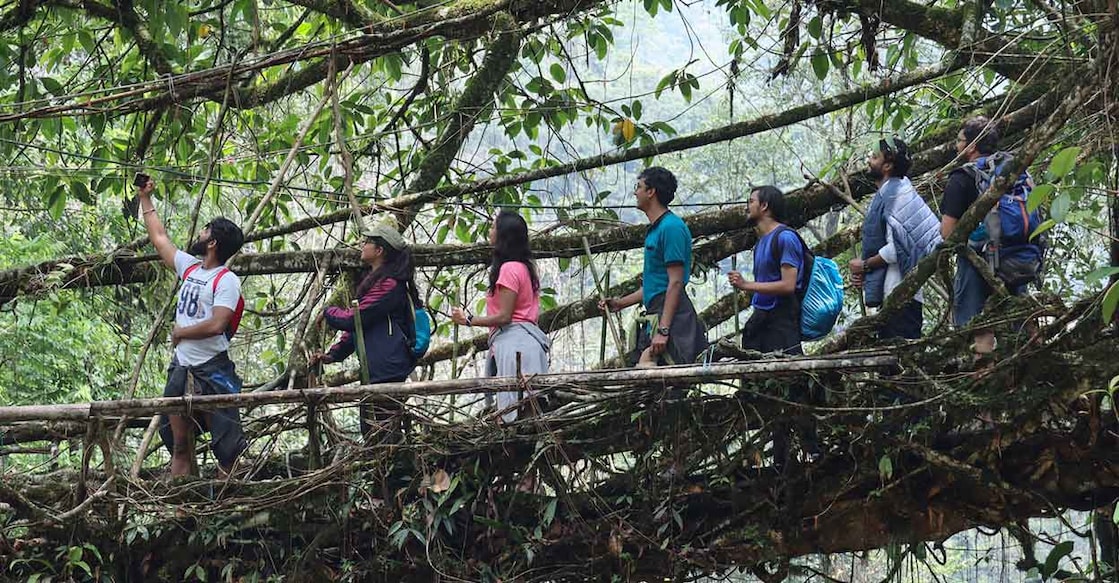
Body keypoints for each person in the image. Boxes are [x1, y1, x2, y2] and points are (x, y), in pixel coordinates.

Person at [136, 176, 248, 478]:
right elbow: (159, 238)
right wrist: (145, 198)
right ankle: (182, 514)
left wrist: (180, 333)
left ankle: (228, 513)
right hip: (182, 367)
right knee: (180, 445)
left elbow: (217, 324)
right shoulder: (191, 268)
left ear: (212, 243)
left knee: (227, 450)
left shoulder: (226, 280)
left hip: (213, 369)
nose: (199, 234)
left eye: (205, 231)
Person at [727, 185, 820, 467]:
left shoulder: (785, 238)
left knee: (792, 381)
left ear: (765, 206)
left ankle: (812, 449)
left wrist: (746, 285)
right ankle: (776, 455)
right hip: (763, 317)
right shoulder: (761, 242)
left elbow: (788, 284)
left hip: (782, 318)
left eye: (751, 201)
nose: (748, 205)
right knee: (763, 384)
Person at [310, 219, 422, 443]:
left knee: (383, 434)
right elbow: (360, 328)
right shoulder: (379, 282)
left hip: (388, 369)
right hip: (377, 370)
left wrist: (329, 312)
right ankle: (385, 474)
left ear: (379, 250)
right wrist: (333, 354)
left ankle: (395, 475)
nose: (362, 245)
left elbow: (355, 318)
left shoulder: (389, 285)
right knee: (373, 433)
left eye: (367, 242)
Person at [600, 166, 707, 367]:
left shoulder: (671, 228)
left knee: (667, 385)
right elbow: (655, 285)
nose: (635, 192)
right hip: (658, 313)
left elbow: (675, 283)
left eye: (638, 186)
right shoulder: (656, 229)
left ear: (651, 192)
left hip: (672, 317)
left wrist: (664, 330)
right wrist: (620, 303)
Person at [451, 210, 550, 423]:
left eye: (494, 227)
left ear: (504, 235)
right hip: (527, 345)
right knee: (529, 412)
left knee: (513, 413)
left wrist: (468, 319)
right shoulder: (525, 267)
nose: (490, 231)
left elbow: (505, 316)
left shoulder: (509, 269)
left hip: (515, 347)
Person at [849, 137, 942, 340]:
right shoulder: (898, 189)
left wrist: (864, 265)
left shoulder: (895, 194)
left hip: (899, 293)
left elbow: (896, 248)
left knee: (899, 364)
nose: (868, 161)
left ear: (888, 165)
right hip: (899, 292)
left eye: (874, 157)